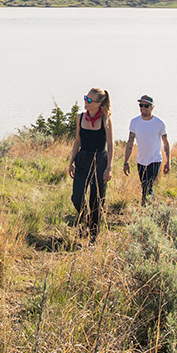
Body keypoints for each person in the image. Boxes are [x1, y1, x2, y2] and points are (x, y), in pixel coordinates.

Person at [67, 88, 114, 239]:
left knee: (97, 200)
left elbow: (111, 144)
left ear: (99, 103)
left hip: (100, 161)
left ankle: (94, 236)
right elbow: (77, 141)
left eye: (89, 100)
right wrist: (71, 162)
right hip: (82, 160)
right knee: (77, 197)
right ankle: (85, 220)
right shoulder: (80, 117)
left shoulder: (106, 118)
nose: (85, 102)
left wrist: (109, 167)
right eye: (85, 98)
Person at [123, 95, 170, 206]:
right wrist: (126, 162)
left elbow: (165, 143)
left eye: (146, 106)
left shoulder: (159, 123)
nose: (143, 108)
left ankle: (146, 209)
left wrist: (168, 162)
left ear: (152, 107)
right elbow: (130, 142)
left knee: (147, 185)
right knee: (145, 186)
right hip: (141, 161)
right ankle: (150, 209)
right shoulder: (134, 122)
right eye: (141, 105)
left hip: (155, 160)